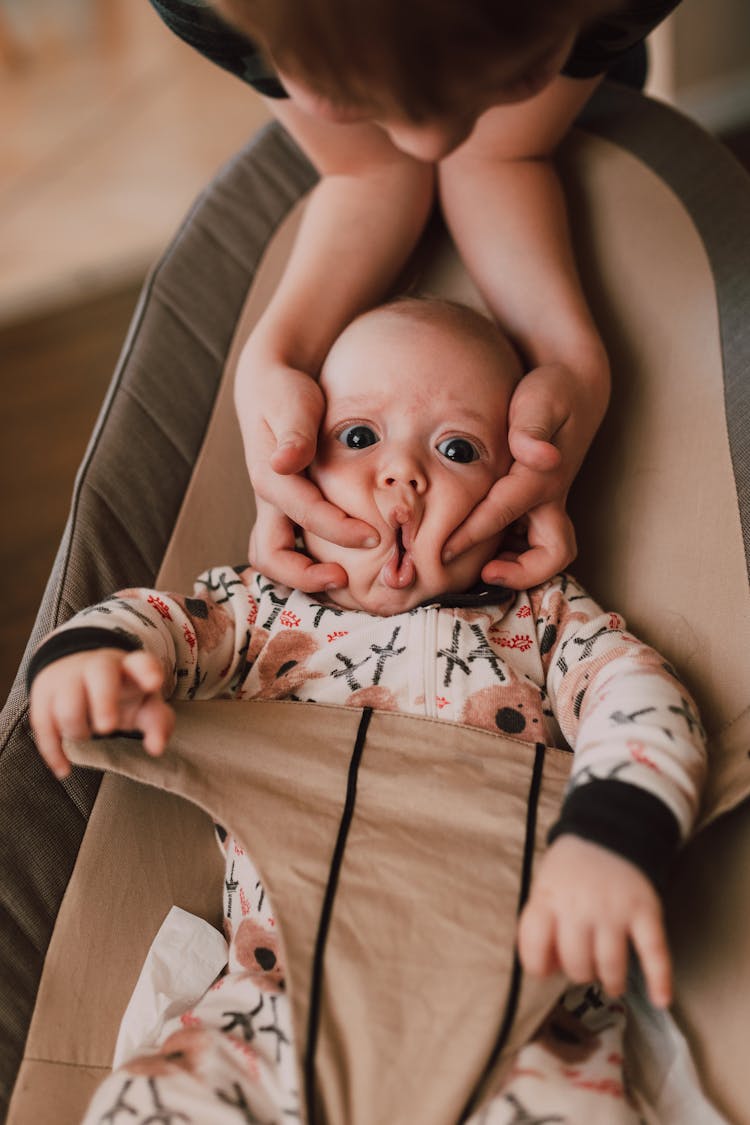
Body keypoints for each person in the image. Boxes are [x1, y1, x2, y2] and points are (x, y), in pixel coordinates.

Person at [28, 298, 706, 1123]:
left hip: (518, 1012)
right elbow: (160, 625)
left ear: (517, 501)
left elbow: (640, 697)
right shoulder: (256, 613)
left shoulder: (540, 620)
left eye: (457, 448)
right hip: (279, 1003)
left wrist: (610, 835)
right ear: (293, 475)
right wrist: (95, 656)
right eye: (358, 437)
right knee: (159, 1101)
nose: (401, 474)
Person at [147, 0, 680, 599]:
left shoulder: (559, 626)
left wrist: (573, 361)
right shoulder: (241, 610)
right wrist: (271, 358)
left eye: (459, 448)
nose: (429, 142)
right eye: (356, 437)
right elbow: (367, 167)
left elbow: (499, 151)